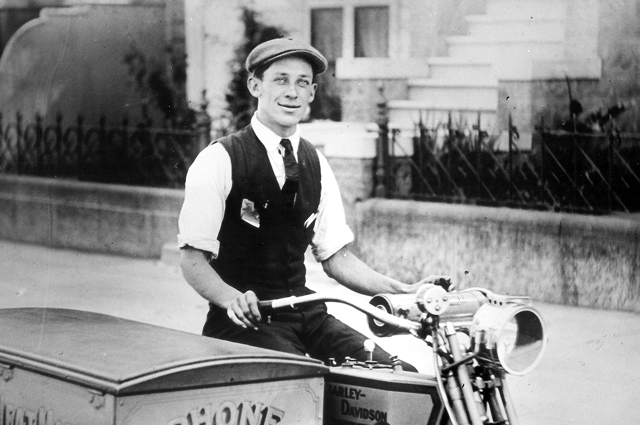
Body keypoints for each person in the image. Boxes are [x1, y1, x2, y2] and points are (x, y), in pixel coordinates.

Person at [177, 37, 447, 366]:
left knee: (396, 375)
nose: (292, 92)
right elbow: (192, 262)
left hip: (306, 313)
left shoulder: (315, 163)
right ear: (255, 85)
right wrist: (231, 299)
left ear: (312, 94)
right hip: (244, 323)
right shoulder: (219, 159)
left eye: (302, 82)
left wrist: (403, 289)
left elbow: (336, 258)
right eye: (281, 80)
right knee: (304, 386)